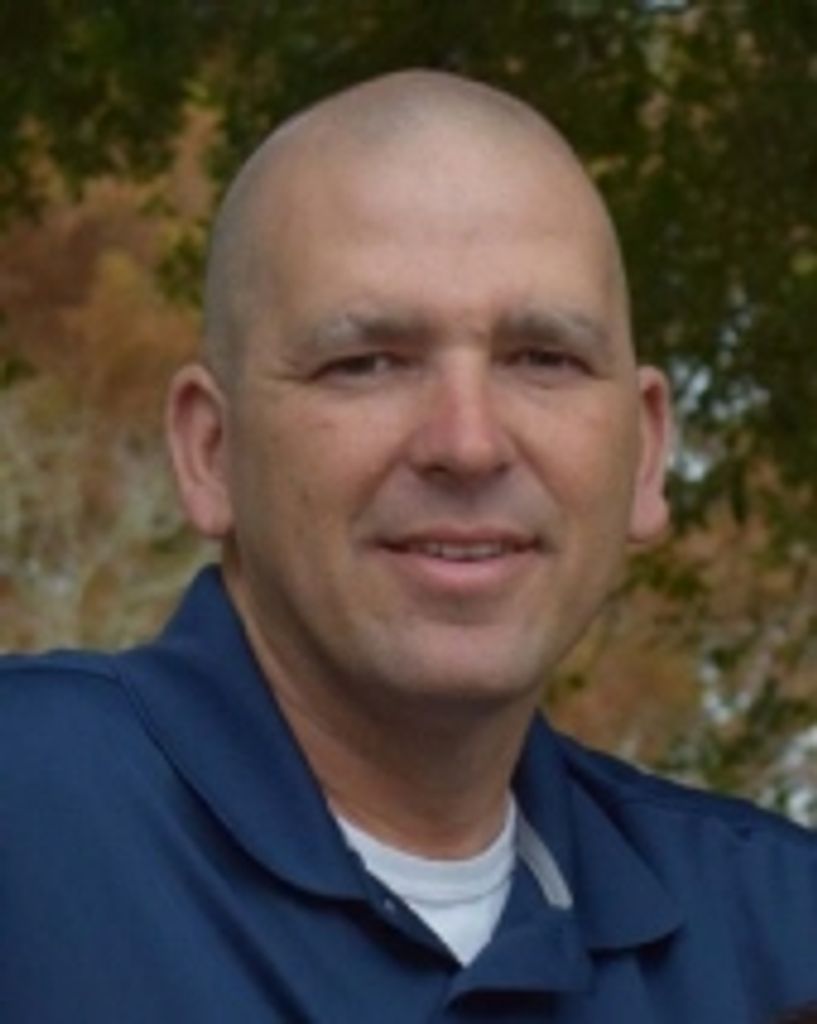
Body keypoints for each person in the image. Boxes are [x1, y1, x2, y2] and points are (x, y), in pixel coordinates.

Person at [1, 70, 815, 1024]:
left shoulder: (778, 940)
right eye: (367, 363)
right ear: (210, 452)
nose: (467, 444)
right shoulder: (30, 826)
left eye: (542, 359)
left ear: (644, 454)